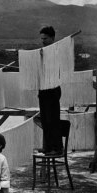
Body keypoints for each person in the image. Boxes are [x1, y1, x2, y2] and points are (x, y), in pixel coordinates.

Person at [38, 26, 64, 156]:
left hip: (53, 88)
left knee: (52, 119)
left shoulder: (57, 51)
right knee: (44, 119)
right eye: (42, 38)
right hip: (43, 88)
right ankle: (48, 147)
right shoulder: (42, 51)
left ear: (52, 38)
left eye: (46, 38)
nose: (43, 41)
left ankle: (57, 147)